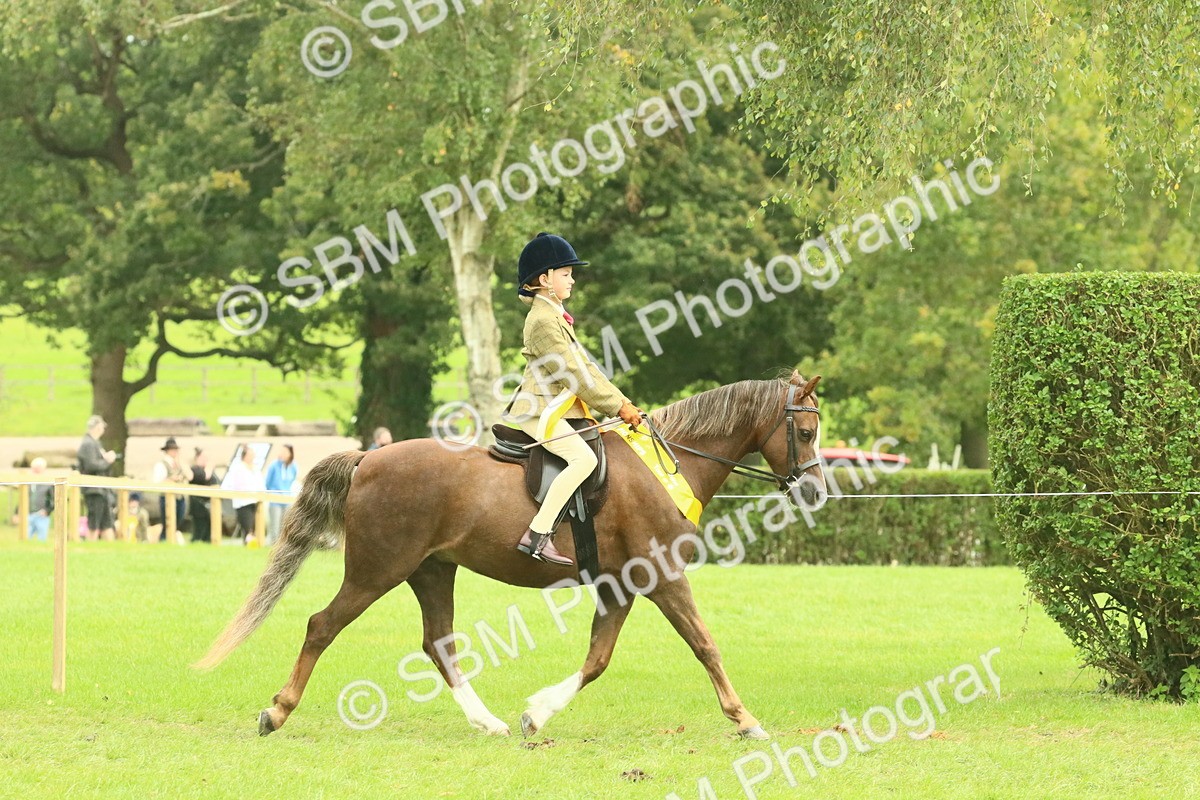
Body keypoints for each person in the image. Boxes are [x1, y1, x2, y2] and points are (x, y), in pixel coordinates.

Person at [500, 232, 643, 566]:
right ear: (544, 279)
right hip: (540, 409)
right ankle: (537, 534)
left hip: (553, 407)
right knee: (583, 460)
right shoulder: (542, 320)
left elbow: (587, 367)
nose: (572, 280)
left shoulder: (554, 314)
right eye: (566, 274)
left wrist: (623, 402)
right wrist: (617, 407)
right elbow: (574, 375)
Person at [77, 414, 116, 541]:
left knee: (106, 521)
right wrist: (107, 461)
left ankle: (109, 546)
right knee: (94, 522)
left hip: (100, 489)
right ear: (97, 427)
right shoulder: (88, 444)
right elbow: (91, 465)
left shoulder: (95, 443)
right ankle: (91, 542)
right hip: (93, 490)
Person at [224, 444, 265, 544]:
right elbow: (231, 484)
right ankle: (249, 545)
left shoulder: (255, 468)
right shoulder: (237, 468)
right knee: (247, 528)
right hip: (242, 502)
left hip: (255, 500)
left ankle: (251, 545)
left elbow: (261, 484)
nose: (252, 457)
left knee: (254, 527)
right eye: (250, 455)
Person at [151, 437, 189, 543]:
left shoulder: (178, 464)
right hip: (167, 497)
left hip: (179, 497)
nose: (175, 452)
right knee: (167, 521)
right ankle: (164, 540)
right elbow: (157, 481)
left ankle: (169, 539)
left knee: (177, 521)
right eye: (173, 449)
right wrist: (172, 479)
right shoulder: (161, 464)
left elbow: (189, 476)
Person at [264, 444, 298, 545]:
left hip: (287, 499)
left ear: (290, 454)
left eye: (285, 451)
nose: (282, 453)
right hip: (275, 499)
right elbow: (268, 482)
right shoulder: (274, 465)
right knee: (275, 526)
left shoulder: (293, 466)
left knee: (285, 525)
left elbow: (292, 480)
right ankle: (273, 545)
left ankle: (283, 546)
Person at [187, 448, 220, 542]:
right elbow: (205, 476)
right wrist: (209, 467)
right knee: (199, 530)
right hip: (198, 505)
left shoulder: (209, 470)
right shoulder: (195, 469)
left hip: (209, 504)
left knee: (208, 530)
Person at [26, 457, 53, 541]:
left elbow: (53, 499)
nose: (34, 471)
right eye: (33, 469)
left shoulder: (49, 483)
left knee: (41, 540)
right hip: (29, 515)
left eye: (37, 469)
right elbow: (24, 498)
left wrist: (47, 511)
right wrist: (17, 512)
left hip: (42, 516)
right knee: (25, 539)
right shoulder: (29, 483)